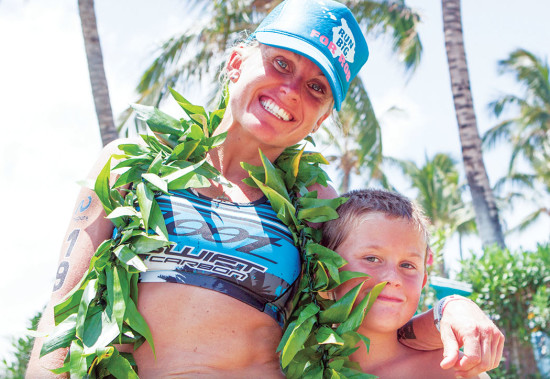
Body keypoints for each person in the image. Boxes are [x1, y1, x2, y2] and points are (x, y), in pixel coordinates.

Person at [27, 0, 503, 377]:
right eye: (280, 63)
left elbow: (378, 316)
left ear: (323, 117)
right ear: (236, 61)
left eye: (318, 89)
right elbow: (63, 318)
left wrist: (451, 310)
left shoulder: (315, 204)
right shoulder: (126, 164)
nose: (292, 90)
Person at [322, 188, 498, 378]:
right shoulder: (295, 367)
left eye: (407, 265)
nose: (393, 278)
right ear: (326, 272)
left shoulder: (454, 371)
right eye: (372, 258)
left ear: (423, 281)